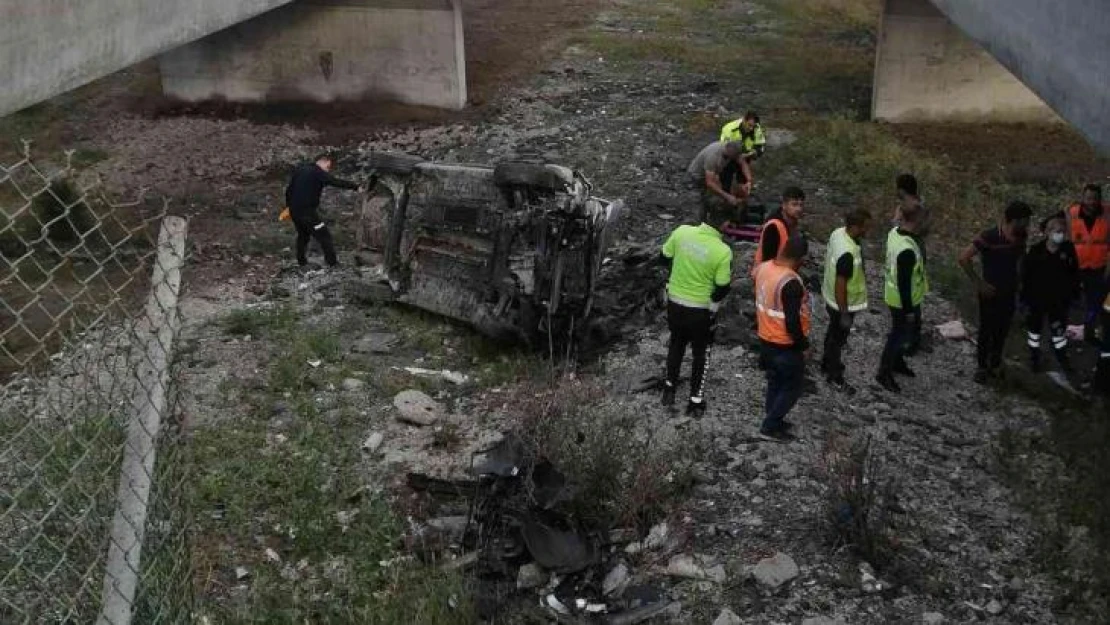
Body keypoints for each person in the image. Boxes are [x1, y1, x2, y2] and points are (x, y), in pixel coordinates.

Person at [660, 203, 737, 416]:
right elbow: (722, 286)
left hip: (675, 303)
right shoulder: (723, 251)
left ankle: (669, 389)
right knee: (701, 353)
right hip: (700, 310)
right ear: (725, 224)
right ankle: (695, 400)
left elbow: (663, 257)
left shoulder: (682, 232)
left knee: (676, 344)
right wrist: (713, 305)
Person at [958, 201, 1032, 383]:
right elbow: (963, 258)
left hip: (1010, 291)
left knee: (1002, 330)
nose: (1027, 224)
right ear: (1014, 220)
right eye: (1025, 220)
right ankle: (982, 367)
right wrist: (979, 283)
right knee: (986, 330)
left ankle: (995, 364)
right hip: (990, 291)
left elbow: (1020, 260)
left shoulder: (1021, 236)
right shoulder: (989, 236)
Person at [754, 235, 811, 441]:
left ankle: (773, 416)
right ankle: (770, 426)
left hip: (764, 338)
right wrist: (803, 345)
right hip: (784, 345)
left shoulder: (764, 268)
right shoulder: (790, 283)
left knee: (774, 382)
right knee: (792, 387)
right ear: (800, 259)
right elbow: (792, 322)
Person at [876, 203, 928, 392]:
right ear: (916, 220)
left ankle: (896, 362)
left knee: (900, 334)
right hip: (902, 300)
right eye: (923, 219)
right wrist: (909, 311)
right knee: (898, 336)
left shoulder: (896, 233)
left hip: (895, 295)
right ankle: (884, 372)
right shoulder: (907, 249)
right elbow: (904, 283)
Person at [820, 209, 873, 393]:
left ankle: (826, 364)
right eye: (866, 227)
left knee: (832, 334)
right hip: (842, 304)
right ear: (855, 227)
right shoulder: (848, 253)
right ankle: (834, 376)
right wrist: (844, 313)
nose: (868, 230)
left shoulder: (838, 233)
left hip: (830, 298)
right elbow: (841, 284)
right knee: (838, 340)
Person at [1021, 212, 1078, 373]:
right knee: (1034, 331)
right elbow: (1027, 276)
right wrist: (1024, 298)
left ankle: (1062, 358)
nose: (1060, 234)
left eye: (1062, 231)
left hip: (1059, 301)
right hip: (1037, 300)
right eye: (1056, 230)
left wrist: (1074, 295)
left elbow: (1074, 272)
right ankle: (1034, 357)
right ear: (1047, 232)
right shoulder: (1036, 251)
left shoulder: (1068, 249)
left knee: (1059, 332)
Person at [285, 153, 360, 268]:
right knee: (324, 235)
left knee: (303, 235)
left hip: (295, 211)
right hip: (308, 212)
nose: (328, 170)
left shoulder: (300, 170)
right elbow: (334, 181)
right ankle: (332, 263)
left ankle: (301, 261)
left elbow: (289, 190)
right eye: (328, 167)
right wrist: (356, 187)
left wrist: (289, 206)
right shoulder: (317, 172)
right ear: (322, 161)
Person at [1065, 184, 1110, 344]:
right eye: (1089, 198)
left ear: (1100, 199)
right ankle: (1063, 330)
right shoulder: (1072, 212)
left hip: (1100, 267)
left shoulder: (1108, 213)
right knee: (1071, 299)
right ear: (1083, 198)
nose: (1092, 202)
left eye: (1095, 198)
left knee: (1096, 302)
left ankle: (1091, 331)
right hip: (1077, 266)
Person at [686, 140, 751, 222]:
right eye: (733, 157)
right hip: (697, 177)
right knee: (701, 202)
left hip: (714, 174)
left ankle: (715, 218)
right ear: (728, 152)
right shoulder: (713, 157)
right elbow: (710, 182)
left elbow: (743, 163)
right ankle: (699, 223)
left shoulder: (733, 150)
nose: (735, 159)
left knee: (717, 197)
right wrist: (728, 196)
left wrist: (749, 181)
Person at [753, 186, 805, 274]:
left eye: (801, 205)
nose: (798, 209)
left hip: (782, 271)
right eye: (794, 204)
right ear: (784, 205)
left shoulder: (792, 222)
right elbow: (768, 260)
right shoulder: (774, 226)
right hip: (768, 275)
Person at [719, 111, 766, 191]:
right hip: (729, 157)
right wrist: (738, 157)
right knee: (726, 183)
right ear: (744, 120)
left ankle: (743, 191)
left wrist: (753, 153)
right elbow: (723, 150)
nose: (751, 128)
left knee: (744, 184)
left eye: (753, 126)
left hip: (746, 155)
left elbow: (760, 147)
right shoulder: (729, 129)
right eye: (749, 125)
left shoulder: (756, 128)